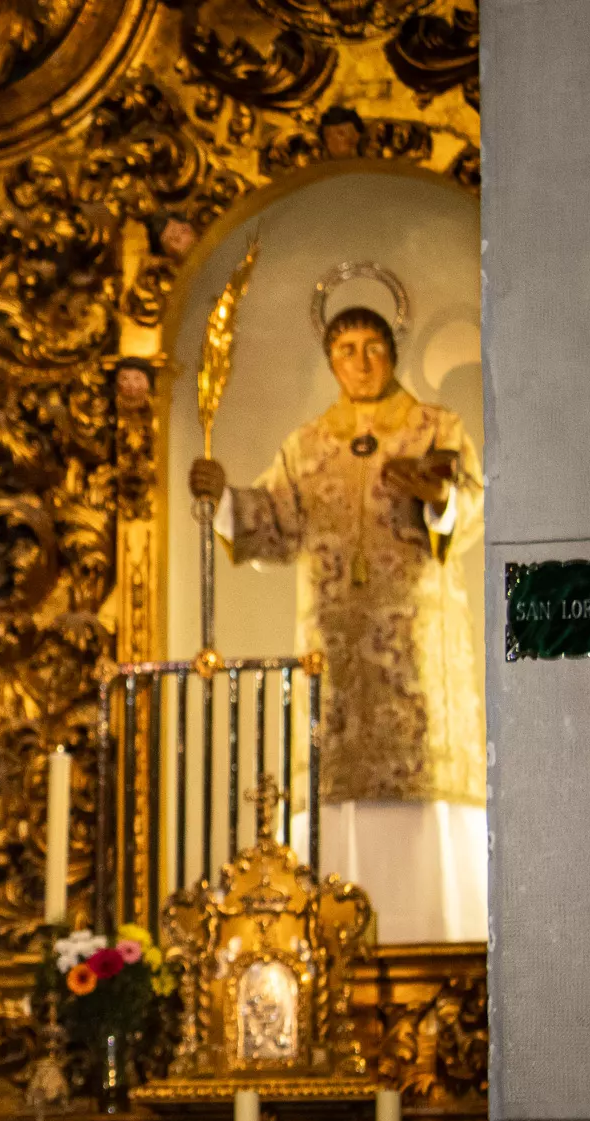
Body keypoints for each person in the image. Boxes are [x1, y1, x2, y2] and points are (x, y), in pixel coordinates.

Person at [190, 305, 485, 941]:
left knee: (422, 787)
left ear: (392, 351)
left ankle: (444, 947)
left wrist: (438, 498)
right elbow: (269, 528)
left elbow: (473, 508)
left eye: (371, 345)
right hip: (334, 657)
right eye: (346, 348)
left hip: (417, 653)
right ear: (331, 362)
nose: (360, 360)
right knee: (334, 794)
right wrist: (221, 501)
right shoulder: (308, 446)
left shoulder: (436, 429)